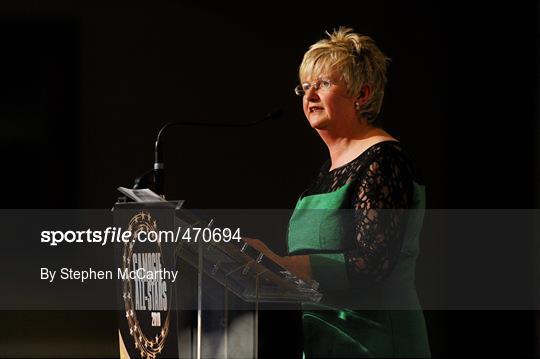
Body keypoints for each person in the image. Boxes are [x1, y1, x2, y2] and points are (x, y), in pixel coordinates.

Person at [246, 27, 430, 358]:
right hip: (327, 340)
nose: (309, 95)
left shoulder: (384, 160)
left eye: (324, 84)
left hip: (377, 343)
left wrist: (278, 263)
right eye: (305, 87)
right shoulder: (326, 173)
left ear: (361, 93)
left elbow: (371, 264)